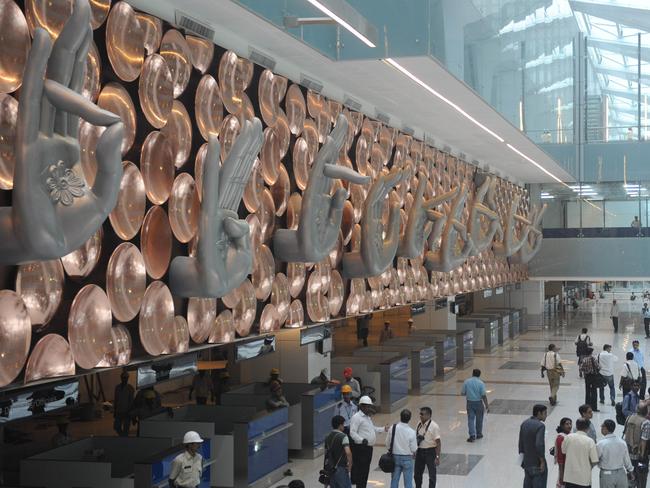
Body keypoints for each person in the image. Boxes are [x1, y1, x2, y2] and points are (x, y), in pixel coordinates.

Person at [349, 396, 388, 488]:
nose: (369, 408)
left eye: (370, 406)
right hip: (361, 448)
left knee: (365, 470)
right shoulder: (357, 417)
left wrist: (383, 429)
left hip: (368, 449)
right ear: (362, 406)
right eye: (367, 406)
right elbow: (352, 432)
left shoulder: (367, 417)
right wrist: (361, 440)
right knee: (361, 471)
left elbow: (372, 428)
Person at [561, 418, 599, 488]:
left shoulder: (568, 437)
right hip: (583, 479)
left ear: (576, 426)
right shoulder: (590, 441)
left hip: (570, 477)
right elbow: (595, 460)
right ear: (588, 428)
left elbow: (563, 451)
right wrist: (588, 466)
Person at [597, 419, 634, 488]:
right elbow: (626, 459)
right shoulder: (622, 442)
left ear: (605, 428)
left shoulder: (601, 444)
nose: (601, 427)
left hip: (607, 474)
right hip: (621, 473)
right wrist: (631, 471)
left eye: (602, 426)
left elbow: (596, 459)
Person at [385, 409, 418, 488]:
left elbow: (387, 443)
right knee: (408, 483)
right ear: (410, 419)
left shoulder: (393, 428)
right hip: (407, 459)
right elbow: (414, 449)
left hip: (394, 458)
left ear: (400, 417)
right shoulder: (411, 432)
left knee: (394, 481)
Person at [518, 404, 548, 488]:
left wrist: (522, 459)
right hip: (537, 463)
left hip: (527, 462)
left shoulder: (524, 423)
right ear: (539, 413)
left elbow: (520, 444)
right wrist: (542, 461)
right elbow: (539, 444)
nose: (546, 415)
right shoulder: (540, 426)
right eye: (545, 413)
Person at [623, 403, 650, 488]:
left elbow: (625, 432)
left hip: (628, 453)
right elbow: (644, 440)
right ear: (646, 411)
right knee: (642, 476)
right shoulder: (646, 422)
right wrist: (642, 455)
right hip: (640, 455)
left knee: (631, 474)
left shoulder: (629, 417)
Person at [414, 406, 441, 488]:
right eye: (420, 414)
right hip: (420, 451)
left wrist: (437, 457)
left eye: (422, 414)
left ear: (428, 415)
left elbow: (438, 443)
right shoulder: (419, 424)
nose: (420, 416)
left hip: (430, 452)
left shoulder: (434, 426)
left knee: (432, 474)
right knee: (417, 474)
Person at [460, 368, 489, 442]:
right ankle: (479, 434)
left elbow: (462, 393)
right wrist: (487, 406)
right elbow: (483, 395)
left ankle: (472, 435)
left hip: (469, 403)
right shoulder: (481, 383)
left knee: (471, 419)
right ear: (479, 375)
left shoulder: (466, 382)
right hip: (479, 403)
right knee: (479, 419)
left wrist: (469, 393)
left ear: (472, 373)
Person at [325, 415, 352, 488]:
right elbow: (348, 452)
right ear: (340, 425)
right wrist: (350, 466)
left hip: (330, 468)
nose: (344, 426)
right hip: (341, 467)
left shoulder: (327, 436)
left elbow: (326, 455)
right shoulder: (343, 436)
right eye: (343, 424)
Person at [113, 370, 134, 437]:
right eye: (123, 377)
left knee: (126, 428)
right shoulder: (117, 388)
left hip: (126, 412)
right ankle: (123, 437)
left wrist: (130, 412)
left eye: (125, 378)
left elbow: (131, 401)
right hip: (119, 411)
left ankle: (124, 439)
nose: (124, 379)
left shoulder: (130, 388)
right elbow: (116, 399)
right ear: (121, 378)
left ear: (127, 378)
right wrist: (115, 411)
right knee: (116, 427)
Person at [554, 417, 572, 488]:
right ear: (562, 426)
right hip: (564, 466)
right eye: (567, 424)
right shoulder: (561, 438)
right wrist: (561, 473)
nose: (569, 426)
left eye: (570, 424)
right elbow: (560, 457)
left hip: (569, 466)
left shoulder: (570, 435)